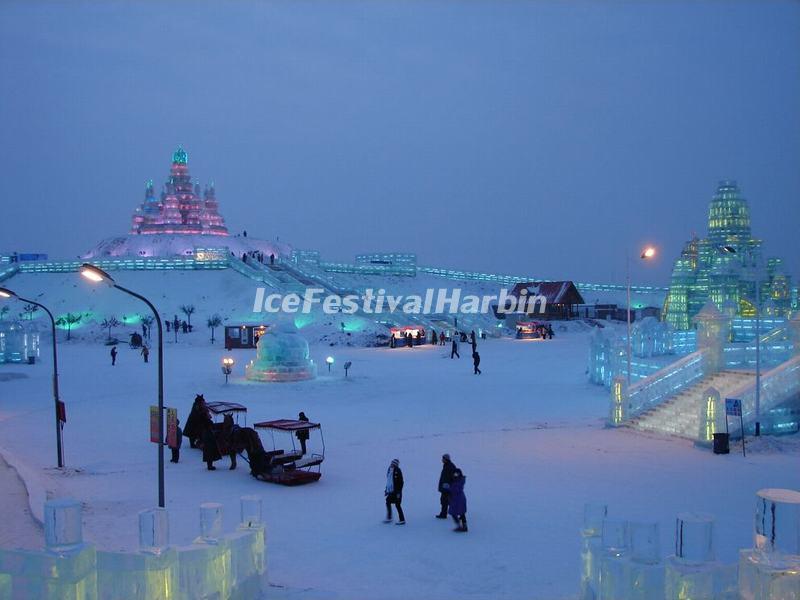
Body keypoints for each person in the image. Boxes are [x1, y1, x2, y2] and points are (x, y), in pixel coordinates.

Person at [384, 459, 405, 525]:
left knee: (397, 505)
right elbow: (389, 481)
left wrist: (398, 492)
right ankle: (389, 517)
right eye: (391, 463)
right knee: (388, 501)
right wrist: (387, 490)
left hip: (396, 492)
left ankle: (402, 519)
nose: (391, 465)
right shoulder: (390, 470)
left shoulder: (397, 470)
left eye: (393, 464)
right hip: (391, 491)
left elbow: (401, 482)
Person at [436, 454, 457, 519]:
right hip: (445, 487)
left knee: (446, 501)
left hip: (448, 488)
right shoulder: (446, 465)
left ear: (446, 459)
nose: (442, 460)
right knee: (444, 501)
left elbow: (454, 476)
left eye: (443, 458)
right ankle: (443, 514)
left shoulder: (450, 466)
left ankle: (457, 513)